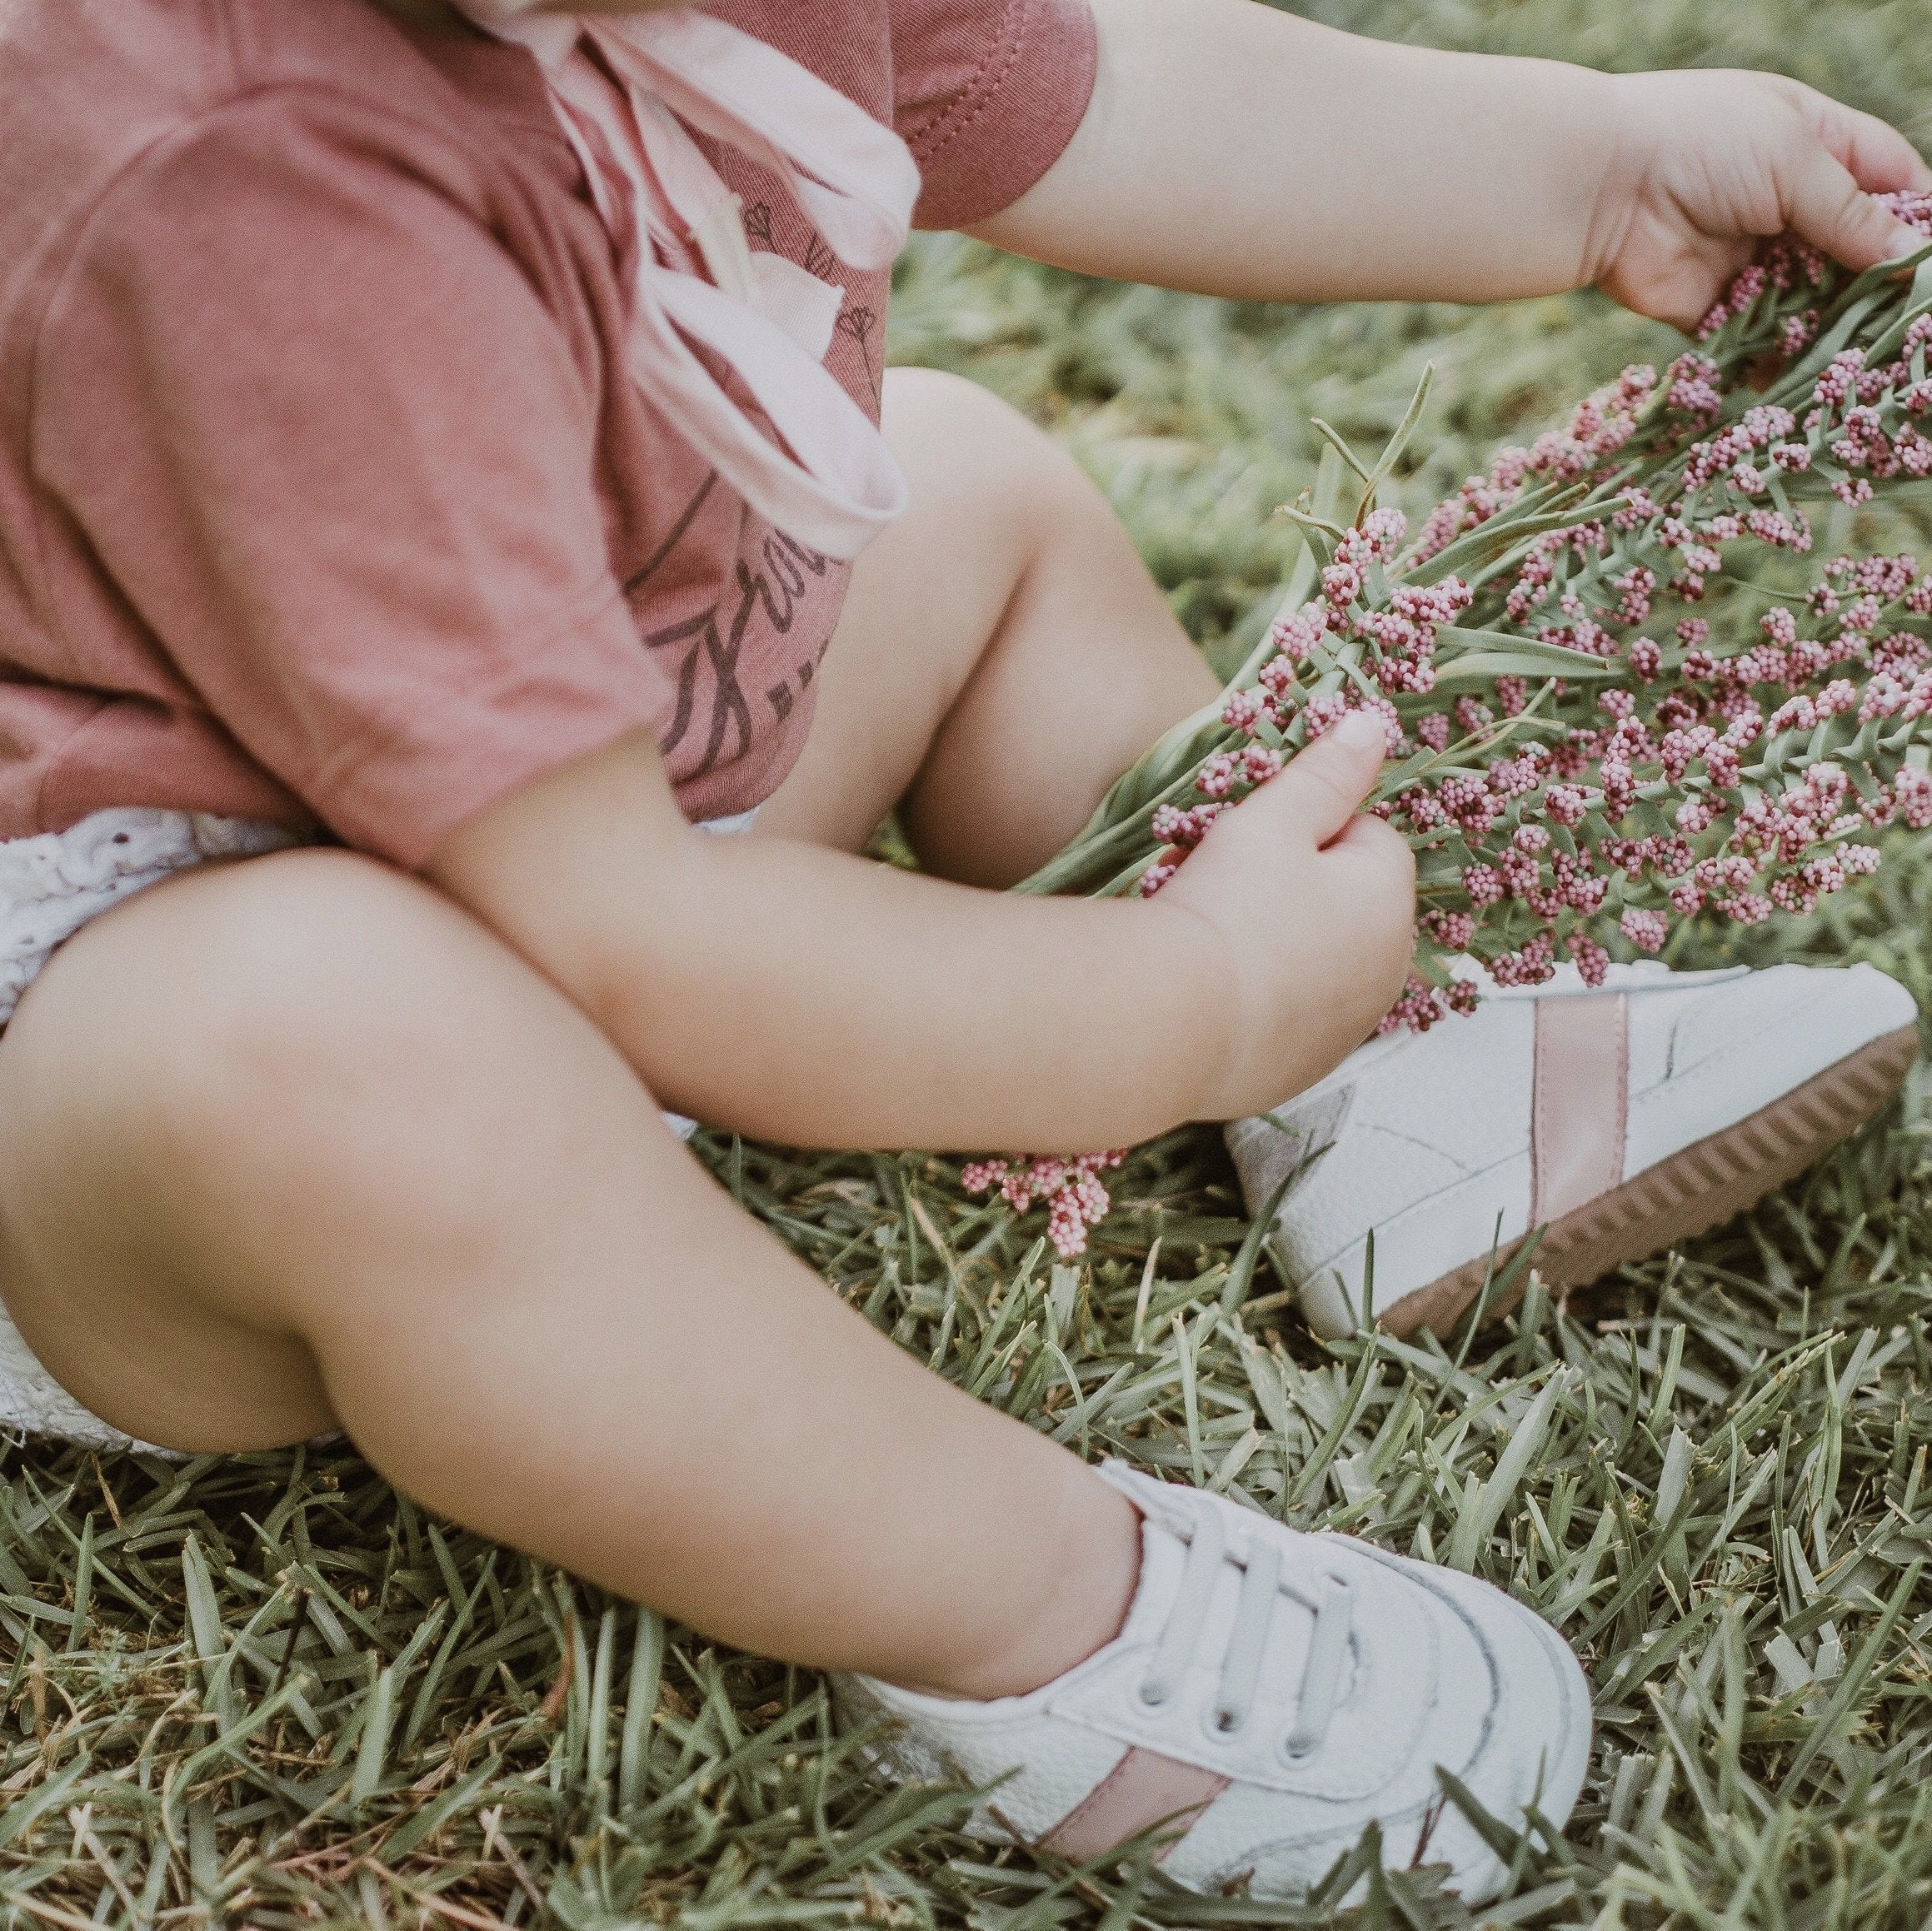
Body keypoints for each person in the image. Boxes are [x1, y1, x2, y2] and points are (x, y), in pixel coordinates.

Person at [0, 0, 1921, 1898]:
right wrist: (1197, 1000)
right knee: (331, 1036)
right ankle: (1048, 1609)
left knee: (967, 486)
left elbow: (1106, 92)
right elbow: (626, 948)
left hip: (592, 779)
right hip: (125, 1059)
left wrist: (1594, 175)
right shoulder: (243, 157)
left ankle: (1382, 1099)